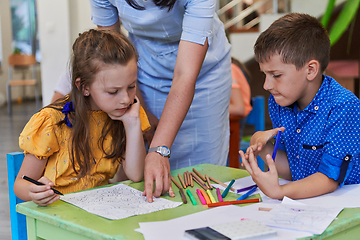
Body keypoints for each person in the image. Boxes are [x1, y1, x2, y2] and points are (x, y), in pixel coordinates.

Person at [89, 0, 232, 202]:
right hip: (141, 70)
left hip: (202, 74)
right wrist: (140, 107)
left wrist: (160, 149)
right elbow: (114, 58)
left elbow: (185, 75)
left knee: (202, 181)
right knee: (146, 178)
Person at [14, 29, 150, 206]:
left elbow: (135, 174)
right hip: (58, 212)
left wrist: (132, 124)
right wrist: (34, 192)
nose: (125, 99)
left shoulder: (125, 113)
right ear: (84, 87)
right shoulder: (52, 121)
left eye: (131, 87)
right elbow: (21, 184)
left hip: (99, 209)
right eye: (113, 91)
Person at [239, 13, 360, 200]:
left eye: (276, 75)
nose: (266, 85)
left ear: (310, 70)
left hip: (345, 204)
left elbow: (329, 179)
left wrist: (279, 192)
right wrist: (261, 145)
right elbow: (296, 170)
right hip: (308, 203)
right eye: (265, 74)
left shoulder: (343, 106)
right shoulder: (279, 102)